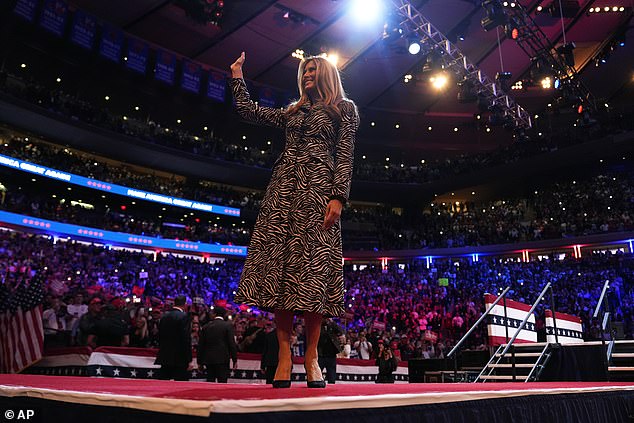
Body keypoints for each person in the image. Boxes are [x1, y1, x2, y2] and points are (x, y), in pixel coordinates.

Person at [229, 51, 359, 389]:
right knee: (281, 275)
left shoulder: (345, 109)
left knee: (313, 275)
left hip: (318, 192)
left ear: (327, 74)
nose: (307, 75)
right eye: (304, 71)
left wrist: (338, 196)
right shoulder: (293, 110)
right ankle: (285, 355)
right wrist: (237, 76)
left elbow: (345, 154)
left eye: (313, 70)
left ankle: (311, 356)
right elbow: (248, 111)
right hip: (282, 192)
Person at [155, 295, 192, 381]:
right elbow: (185, 338)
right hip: (180, 357)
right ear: (185, 305)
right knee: (181, 383)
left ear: (174, 303)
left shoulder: (164, 316)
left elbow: (159, 335)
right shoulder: (184, 317)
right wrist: (189, 358)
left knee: (164, 382)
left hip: (165, 355)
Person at [198, 305, 238, 383]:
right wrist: (234, 360)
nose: (210, 314)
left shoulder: (206, 327)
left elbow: (201, 345)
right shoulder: (227, 326)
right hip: (223, 360)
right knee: (222, 383)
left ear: (215, 314)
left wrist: (199, 362)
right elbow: (231, 344)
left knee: (210, 383)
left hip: (209, 360)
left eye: (212, 312)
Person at [318, 318, 343, 384]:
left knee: (332, 375)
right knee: (318, 374)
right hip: (321, 354)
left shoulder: (332, 326)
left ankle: (332, 385)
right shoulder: (318, 326)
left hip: (331, 355)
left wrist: (332, 322)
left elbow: (340, 331)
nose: (326, 319)